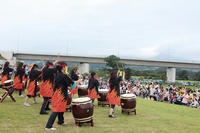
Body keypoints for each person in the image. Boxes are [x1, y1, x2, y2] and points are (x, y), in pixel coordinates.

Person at [45, 62, 76, 131]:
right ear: (63, 68)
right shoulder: (63, 75)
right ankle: (48, 126)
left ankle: (60, 121)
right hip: (60, 95)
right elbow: (72, 84)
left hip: (57, 94)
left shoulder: (57, 74)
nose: (65, 68)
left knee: (60, 108)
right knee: (56, 110)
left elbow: (62, 84)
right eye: (65, 67)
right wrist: (78, 82)